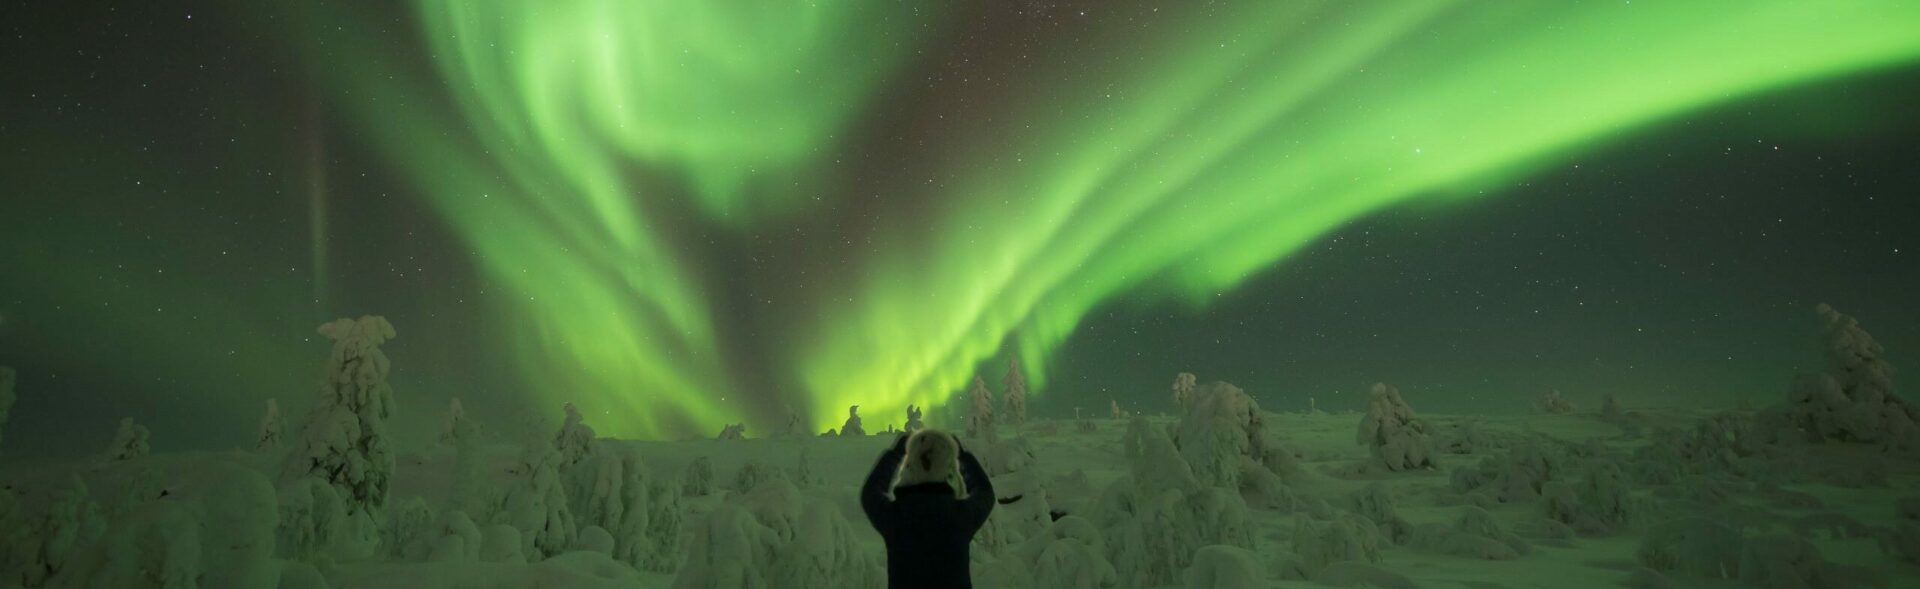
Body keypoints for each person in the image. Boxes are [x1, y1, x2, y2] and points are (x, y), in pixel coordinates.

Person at [861, 428, 995, 589]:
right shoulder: (961, 516)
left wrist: (894, 455)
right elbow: (985, 492)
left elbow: (870, 493)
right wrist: (963, 456)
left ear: (910, 467)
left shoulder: (896, 517)